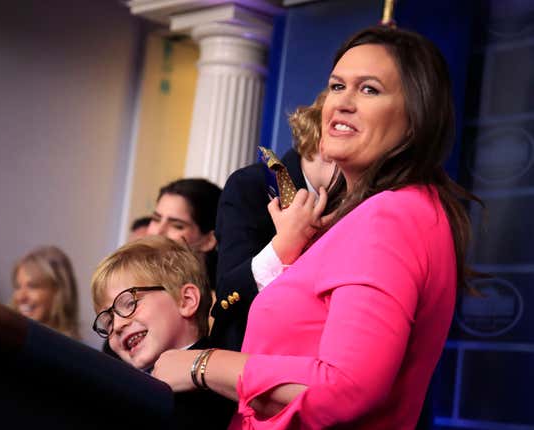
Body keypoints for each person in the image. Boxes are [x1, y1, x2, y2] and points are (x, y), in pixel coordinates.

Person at [152, 25, 480, 429]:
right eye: (337, 86)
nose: (342, 102)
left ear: (415, 120)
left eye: (369, 89)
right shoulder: (388, 211)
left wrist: (201, 364)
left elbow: (345, 389)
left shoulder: (390, 216)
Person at [211, 90, 337, 351]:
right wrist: (284, 246)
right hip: (243, 367)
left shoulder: (360, 202)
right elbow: (226, 299)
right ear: (328, 141)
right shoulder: (252, 185)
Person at [90, 235, 235, 430]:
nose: (116, 326)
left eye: (130, 303)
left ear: (186, 300)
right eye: (108, 322)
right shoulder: (123, 393)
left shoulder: (216, 382)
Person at [146, 178, 222, 328]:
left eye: (177, 226)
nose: (158, 232)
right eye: (156, 219)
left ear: (209, 240)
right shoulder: (133, 288)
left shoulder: (217, 309)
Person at [11, 245, 80, 340]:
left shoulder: (73, 353)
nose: (21, 297)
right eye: (18, 287)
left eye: (32, 286)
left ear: (58, 290)